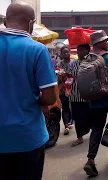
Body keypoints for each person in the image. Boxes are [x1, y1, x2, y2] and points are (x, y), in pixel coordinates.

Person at [0, 2, 57, 179]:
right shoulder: (37, 49)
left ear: (5, 20)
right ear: (31, 23)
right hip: (28, 137)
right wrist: (30, 96)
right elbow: (49, 97)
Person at [83, 30, 108, 177]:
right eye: (105, 41)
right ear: (99, 43)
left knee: (96, 129)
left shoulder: (87, 58)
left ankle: (90, 160)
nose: (107, 43)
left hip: (94, 100)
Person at [69, 44, 91, 147]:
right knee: (77, 118)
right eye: (78, 50)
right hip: (74, 95)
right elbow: (69, 76)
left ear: (87, 51)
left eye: (81, 50)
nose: (79, 52)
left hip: (88, 96)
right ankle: (79, 137)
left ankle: (87, 129)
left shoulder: (91, 63)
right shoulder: (73, 64)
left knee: (88, 117)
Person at [56, 46, 74, 135]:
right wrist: (61, 75)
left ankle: (70, 122)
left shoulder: (74, 63)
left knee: (73, 107)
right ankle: (66, 125)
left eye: (67, 52)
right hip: (63, 90)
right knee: (65, 107)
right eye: (64, 52)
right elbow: (57, 76)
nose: (66, 54)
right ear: (61, 54)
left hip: (73, 89)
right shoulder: (59, 64)